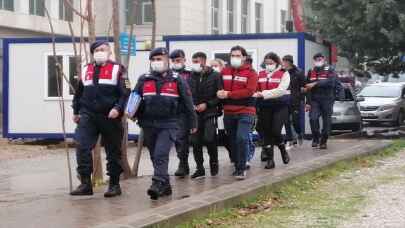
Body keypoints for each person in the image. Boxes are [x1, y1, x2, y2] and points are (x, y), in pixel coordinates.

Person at [133, 47, 197, 200]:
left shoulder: (177, 79)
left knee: (161, 153)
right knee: (155, 156)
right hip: (148, 123)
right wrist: (131, 113)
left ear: (167, 60)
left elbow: (188, 102)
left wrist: (193, 121)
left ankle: (157, 184)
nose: (157, 62)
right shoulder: (144, 78)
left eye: (160, 59)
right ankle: (166, 186)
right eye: (154, 60)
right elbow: (134, 98)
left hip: (169, 123)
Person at [71, 41, 130, 197]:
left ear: (109, 52)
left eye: (103, 49)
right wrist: (76, 111)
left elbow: (126, 92)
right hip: (88, 115)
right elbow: (79, 93)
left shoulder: (119, 69)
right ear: (92, 53)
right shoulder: (86, 69)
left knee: (113, 151)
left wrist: (118, 108)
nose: (100, 52)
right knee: (81, 146)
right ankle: (85, 183)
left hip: (110, 116)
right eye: (97, 50)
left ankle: (114, 185)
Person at [217, 45, 258, 180]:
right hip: (228, 111)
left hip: (246, 111)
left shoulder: (251, 73)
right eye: (233, 55)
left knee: (242, 138)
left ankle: (241, 168)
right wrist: (219, 92)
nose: (235, 58)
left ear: (244, 57)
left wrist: (228, 94)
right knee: (233, 140)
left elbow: (249, 91)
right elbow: (219, 86)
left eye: (238, 56)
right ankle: (237, 164)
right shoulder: (224, 71)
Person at [189, 52, 223, 179]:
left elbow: (219, 96)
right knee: (195, 141)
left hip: (210, 112)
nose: (195, 64)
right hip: (195, 113)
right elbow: (187, 93)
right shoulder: (191, 76)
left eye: (197, 61)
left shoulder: (215, 76)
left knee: (209, 138)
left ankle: (214, 162)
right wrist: (191, 105)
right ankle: (200, 168)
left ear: (204, 61)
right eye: (193, 62)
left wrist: (207, 104)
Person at [254, 52, 291, 169]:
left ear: (276, 63)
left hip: (280, 106)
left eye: (271, 63)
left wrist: (263, 94)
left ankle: (283, 150)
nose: (268, 65)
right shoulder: (260, 74)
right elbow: (255, 89)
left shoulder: (284, 74)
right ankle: (270, 160)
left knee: (275, 130)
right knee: (266, 133)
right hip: (265, 106)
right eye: (266, 63)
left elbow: (280, 90)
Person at [305, 53, 337, 149]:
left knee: (326, 121)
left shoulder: (330, 69)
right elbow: (307, 87)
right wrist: (308, 102)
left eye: (320, 59)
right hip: (315, 100)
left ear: (323, 59)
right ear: (314, 61)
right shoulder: (311, 71)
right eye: (316, 59)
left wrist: (315, 83)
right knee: (313, 118)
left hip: (327, 99)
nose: (318, 61)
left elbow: (331, 82)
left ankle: (323, 141)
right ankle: (316, 137)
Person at [170, 49, 193, 178]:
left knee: (181, 138)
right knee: (177, 139)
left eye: (178, 60)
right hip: (171, 111)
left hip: (184, 111)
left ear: (184, 60)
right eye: (173, 61)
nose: (175, 63)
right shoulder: (168, 75)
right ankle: (183, 163)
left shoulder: (189, 75)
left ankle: (183, 164)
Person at [282, 55, 306, 146]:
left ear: (289, 62)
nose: (283, 63)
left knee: (295, 121)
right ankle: (290, 139)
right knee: (286, 121)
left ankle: (299, 133)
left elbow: (304, 86)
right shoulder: (282, 72)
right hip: (284, 100)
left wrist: (302, 98)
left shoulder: (298, 72)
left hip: (295, 100)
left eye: (284, 61)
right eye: (282, 61)